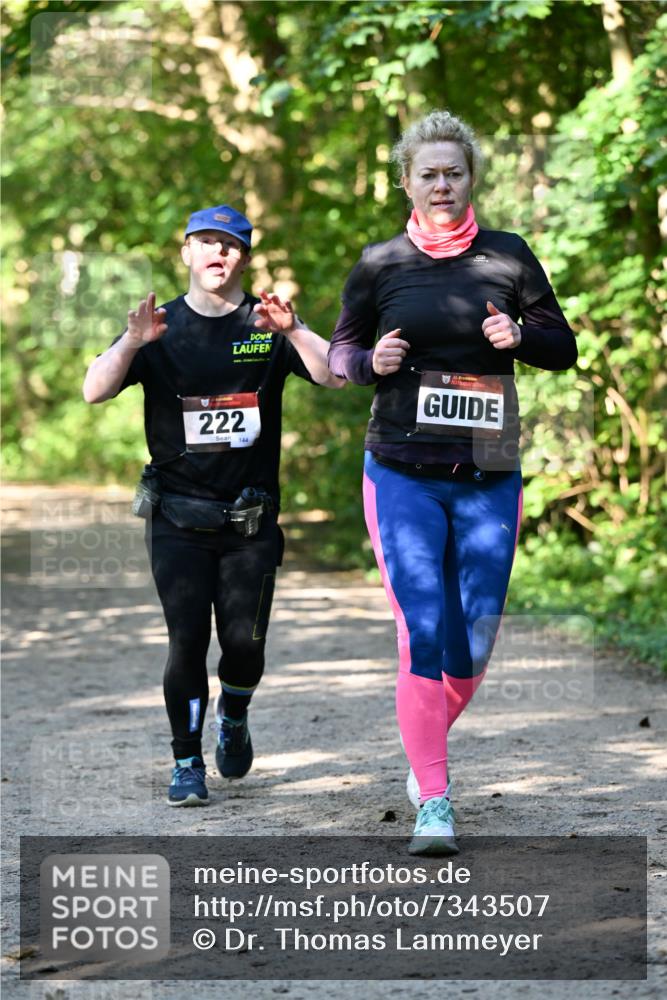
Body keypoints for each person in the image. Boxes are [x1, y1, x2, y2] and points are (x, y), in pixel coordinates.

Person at [327, 110, 577, 855]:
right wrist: (370, 360)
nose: (441, 184)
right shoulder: (380, 263)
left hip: (488, 473)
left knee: (473, 636)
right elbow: (341, 353)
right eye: (428, 174)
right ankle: (433, 797)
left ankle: (421, 740)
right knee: (423, 626)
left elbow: (561, 347)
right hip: (401, 470)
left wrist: (520, 338)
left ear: (471, 179)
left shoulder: (509, 257)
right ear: (406, 181)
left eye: (454, 172)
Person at [83, 204, 343, 806]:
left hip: (249, 521)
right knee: (186, 642)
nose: (216, 253)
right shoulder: (159, 327)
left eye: (228, 244)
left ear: (243, 257)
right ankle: (185, 763)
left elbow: (335, 377)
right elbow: (94, 389)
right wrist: (131, 340)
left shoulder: (267, 325)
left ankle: (235, 714)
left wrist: (296, 330)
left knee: (244, 646)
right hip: (177, 517)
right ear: (187, 253)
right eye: (204, 242)